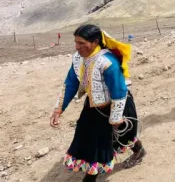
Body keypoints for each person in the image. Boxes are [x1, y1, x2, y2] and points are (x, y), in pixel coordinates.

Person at [50, 24, 146, 182]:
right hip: (93, 107)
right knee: (91, 139)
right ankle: (139, 150)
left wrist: (116, 117)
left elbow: (119, 91)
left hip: (117, 105)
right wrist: (58, 109)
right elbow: (71, 84)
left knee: (114, 138)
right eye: (76, 42)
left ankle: (90, 178)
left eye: (82, 43)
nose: (77, 47)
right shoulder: (77, 59)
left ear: (95, 42)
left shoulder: (107, 62)